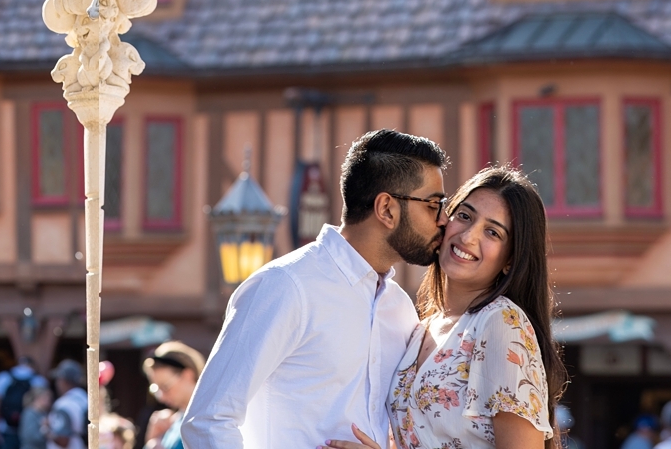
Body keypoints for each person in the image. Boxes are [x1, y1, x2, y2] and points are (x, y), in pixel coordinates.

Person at [182, 129, 449, 449]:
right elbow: (209, 421)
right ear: (387, 209)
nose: (444, 220)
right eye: (434, 205)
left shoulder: (400, 308)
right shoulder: (284, 286)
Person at [325, 166, 566, 449]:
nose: (467, 237)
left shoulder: (502, 323)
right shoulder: (421, 328)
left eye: (492, 232)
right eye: (464, 216)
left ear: (511, 259)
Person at [142, 342, 205, 449]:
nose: (160, 397)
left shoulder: (207, 419)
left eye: (165, 387)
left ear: (188, 375)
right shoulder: (172, 423)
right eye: (156, 389)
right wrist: (154, 439)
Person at [0, 358, 48, 449]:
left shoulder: (2, 378)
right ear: (33, 366)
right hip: (30, 431)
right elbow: (45, 405)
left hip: (7, 429)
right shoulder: (38, 380)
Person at [47, 360, 87, 449]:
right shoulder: (86, 399)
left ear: (64, 381)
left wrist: (46, 430)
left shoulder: (63, 404)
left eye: (58, 380)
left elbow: (63, 440)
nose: (57, 383)